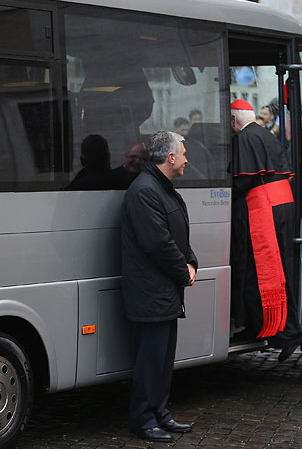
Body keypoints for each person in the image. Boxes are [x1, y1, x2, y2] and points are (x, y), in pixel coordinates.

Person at [120, 131, 197, 442]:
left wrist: (190, 262)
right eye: (183, 153)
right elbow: (158, 244)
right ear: (171, 158)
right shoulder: (145, 191)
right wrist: (184, 271)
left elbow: (177, 236)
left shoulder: (160, 188)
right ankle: (143, 419)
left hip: (164, 290)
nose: (187, 159)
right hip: (151, 291)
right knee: (150, 361)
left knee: (162, 361)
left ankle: (159, 413)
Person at [229, 99, 302, 362]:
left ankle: (282, 332)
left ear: (233, 119)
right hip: (282, 205)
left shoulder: (243, 138)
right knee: (281, 270)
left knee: (258, 273)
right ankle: (282, 328)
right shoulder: (264, 133)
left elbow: (243, 181)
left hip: (264, 208)